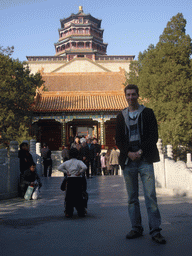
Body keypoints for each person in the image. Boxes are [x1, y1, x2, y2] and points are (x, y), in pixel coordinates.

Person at [115, 84, 166, 244]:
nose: (131, 97)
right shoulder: (120, 116)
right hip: (128, 161)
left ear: (138, 95)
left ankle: (155, 230)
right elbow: (118, 139)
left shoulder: (148, 113)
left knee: (150, 196)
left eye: (133, 94)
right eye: (128, 95)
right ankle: (136, 227)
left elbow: (153, 136)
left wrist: (140, 152)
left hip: (145, 160)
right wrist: (128, 153)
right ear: (125, 96)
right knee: (132, 197)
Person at [58, 148, 88, 217]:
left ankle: (68, 212)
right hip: (77, 180)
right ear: (77, 154)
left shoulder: (67, 162)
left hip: (70, 180)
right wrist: (79, 172)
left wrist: (66, 172)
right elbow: (85, 167)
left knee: (69, 196)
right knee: (78, 195)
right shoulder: (79, 162)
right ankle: (81, 211)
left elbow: (59, 168)